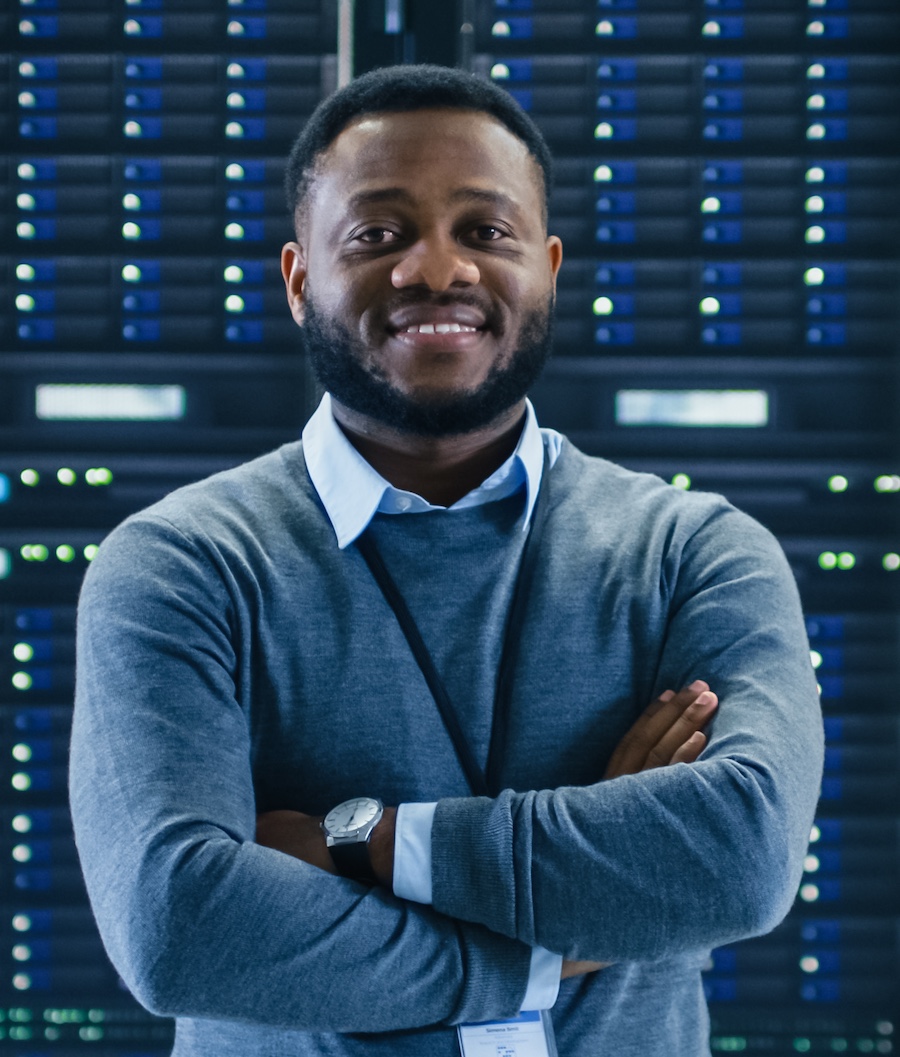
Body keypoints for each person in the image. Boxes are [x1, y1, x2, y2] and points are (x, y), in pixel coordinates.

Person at [70, 64, 823, 1056]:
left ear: (547, 267)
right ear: (299, 280)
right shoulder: (179, 569)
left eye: (486, 232)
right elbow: (181, 928)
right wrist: (557, 936)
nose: (438, 271)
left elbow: (738, 857)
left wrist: (361, 841)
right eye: (378, 234)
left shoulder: (695, 554)